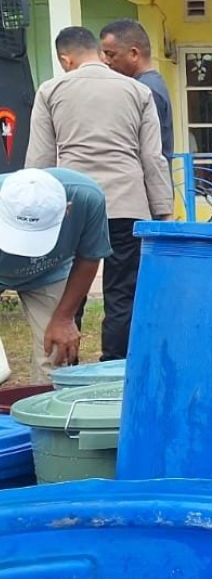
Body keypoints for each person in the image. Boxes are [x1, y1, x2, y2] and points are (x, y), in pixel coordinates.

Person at [26, 26, 174, 362]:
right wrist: (163, 211)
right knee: (122, 293)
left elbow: (40, 160)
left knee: (68, 290)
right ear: (97, 51)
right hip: (127, 204)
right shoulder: (137, 92)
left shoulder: (51, 90)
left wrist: (37, 213)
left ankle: (66, 369)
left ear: (66, 59)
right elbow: (152, 157)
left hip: (72, 206)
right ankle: (115, 370)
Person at [0, 168, 111, 382]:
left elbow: (89, 257)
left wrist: (64, 318)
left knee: (55, 353)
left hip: (49, 271)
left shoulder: (87, 198)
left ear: (67, 209)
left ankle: (45, 408)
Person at [99, 19, 174, 161]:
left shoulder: (146, 90)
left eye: (111, 54)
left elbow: (149, 152)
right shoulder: (147, 84)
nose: (106, 61)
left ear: (134, 53)